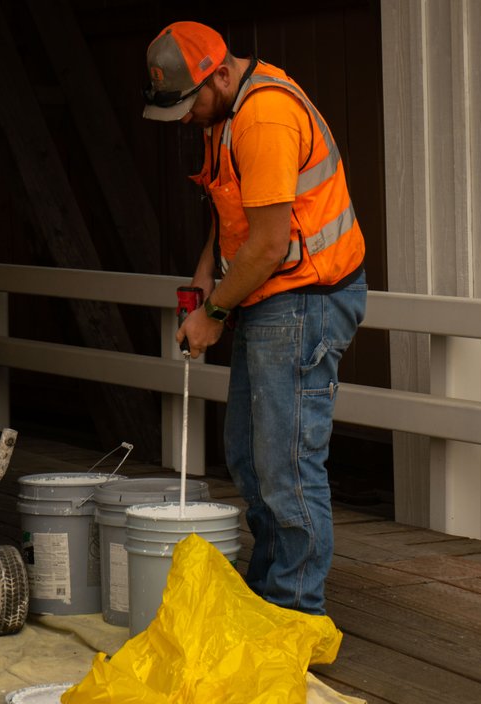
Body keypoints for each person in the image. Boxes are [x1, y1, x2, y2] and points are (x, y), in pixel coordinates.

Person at [143, 21, 367, 615]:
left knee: (286, 465)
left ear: (218, 73)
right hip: (268, 295)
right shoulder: (228, 115)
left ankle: (296, 614)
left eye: (192, 104)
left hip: (303, 299)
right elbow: (233, 213)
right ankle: (268, 596)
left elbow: (268, 244)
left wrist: (214, 309)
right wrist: (202, 276)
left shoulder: (263, 119)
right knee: (248, 454)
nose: (188, 118)